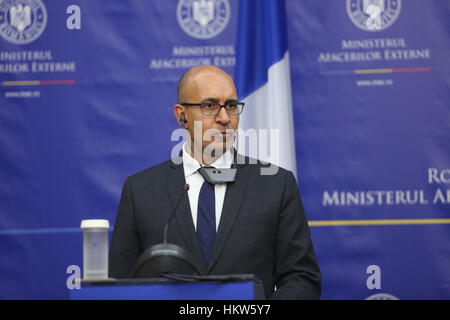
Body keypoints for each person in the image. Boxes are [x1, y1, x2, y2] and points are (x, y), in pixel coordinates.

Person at [109, 65, 321, 299]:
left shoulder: (276, 184)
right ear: (181, 115)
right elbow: (120, 284)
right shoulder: (140, 190)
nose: (224, 118)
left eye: (231, 106)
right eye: (209, 106)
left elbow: (302, 279)